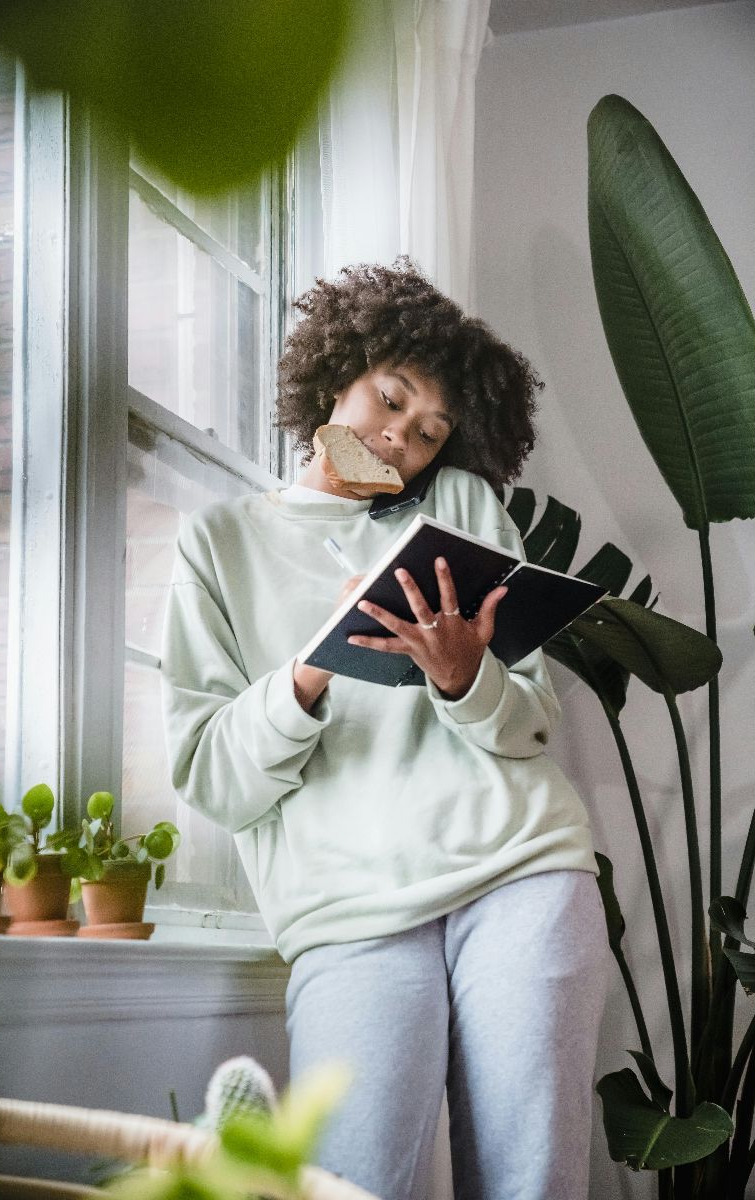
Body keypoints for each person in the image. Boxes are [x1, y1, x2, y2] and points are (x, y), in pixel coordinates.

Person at [161, 259, 609, 1200]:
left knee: (534, 1184)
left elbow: (528, 722)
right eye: (389, 399)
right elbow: (211, 777)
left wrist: (464, 678)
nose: (399, 436)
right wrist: (310, 669)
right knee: (353, 1183)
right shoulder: (220, 544)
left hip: (519, 870)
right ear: (339, 374)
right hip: (349, 912)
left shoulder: (460, 509)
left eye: (428, 431)